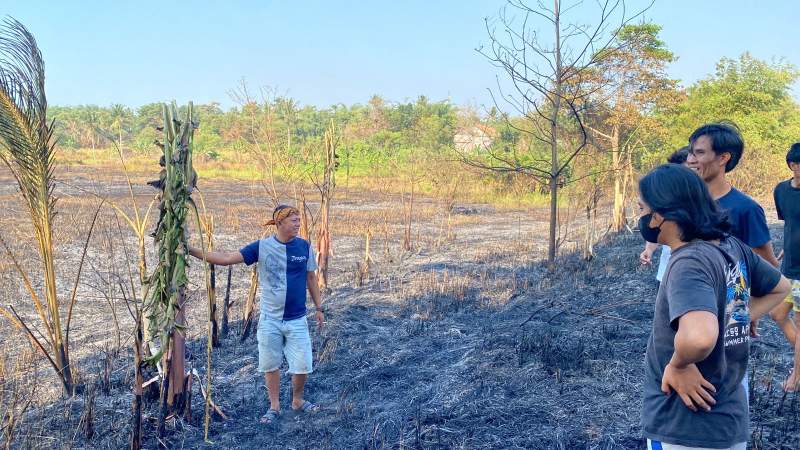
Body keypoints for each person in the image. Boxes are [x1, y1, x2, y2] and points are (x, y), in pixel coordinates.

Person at [638, 164, 790, 450]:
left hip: (684, 424)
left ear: (662, 215)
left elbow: (698, 338)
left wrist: (678, 364)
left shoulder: (688, 262)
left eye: (643, 209)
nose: (642, 217)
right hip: (727, 419)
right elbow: (780, 287)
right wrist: (737, 318)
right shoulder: (731, 246)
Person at [188, 204, 324, 424]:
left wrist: (319, 308)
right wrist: (191, 250)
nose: (298, 224)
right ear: (279, 223)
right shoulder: (262, 247)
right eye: (294, 220)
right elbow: (226, 258)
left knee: (302, 365)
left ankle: (297, 400)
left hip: (297, 318)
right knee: (270, 364)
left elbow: (311, 279)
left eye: (299, 220)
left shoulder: (304, 247)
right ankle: (274, 407)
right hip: (270, 319)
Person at [686, 123, 781, 339]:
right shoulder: (685, 203)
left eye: (699, 153)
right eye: (691, 152)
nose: (691, 159)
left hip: (729, 308)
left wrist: (749, 310)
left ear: (723, 158)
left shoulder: (745, 209)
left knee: (728, 371)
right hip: (688, 302)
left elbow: (768, 265)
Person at [772, 143, 800, 391]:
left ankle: (796, 378)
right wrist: (785, 247)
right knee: (778, 314)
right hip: (789, 266)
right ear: (793, 166)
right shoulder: (781, 190)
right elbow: (789, 223)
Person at [639, 147, 690, 282]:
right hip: (665, 275)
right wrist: (649, 250)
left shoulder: (711, 208)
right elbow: (656, 226)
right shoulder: (666, 200)